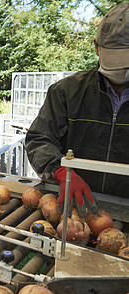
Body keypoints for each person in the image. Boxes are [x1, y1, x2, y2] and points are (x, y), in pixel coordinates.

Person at [25, 3, 129, 218]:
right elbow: (39, 139)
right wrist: (61, 171)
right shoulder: (67, 91)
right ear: (97, 47)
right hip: (71, 205)